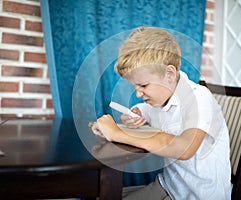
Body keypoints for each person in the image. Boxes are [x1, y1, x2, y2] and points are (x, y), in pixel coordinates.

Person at [92, 26, 231, 200]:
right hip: (168, 186)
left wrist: (116, 134)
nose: (137, 93)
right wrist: (133, 114)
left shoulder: (199, 98)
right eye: (134, 86)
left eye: (143, 86)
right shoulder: (161, 100)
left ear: (169, 74)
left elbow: (184, 148)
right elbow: (144, 111)